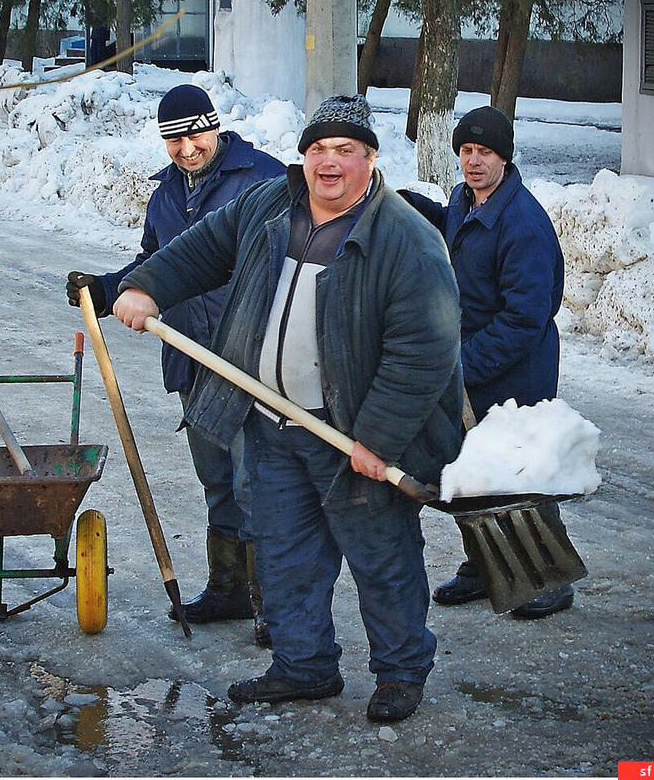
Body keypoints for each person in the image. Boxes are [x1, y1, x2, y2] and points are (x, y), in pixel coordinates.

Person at [110, 94, 464, 723]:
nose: (329, 163)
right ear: (303, 156)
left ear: (371, 158)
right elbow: (203, 247)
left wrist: (377, 437)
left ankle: (400, 672)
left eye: (345, 151)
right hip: (271, 419)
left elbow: (425, 350)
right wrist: (145, 286)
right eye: (318, 149)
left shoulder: (406, 238)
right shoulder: (271, 202)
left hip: (347, 431)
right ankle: (304, 665)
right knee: (283, 553)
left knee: (381, 556)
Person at [66, 84, 284, 645]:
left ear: (215, 127)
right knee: (216, 480)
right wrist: (109, 287)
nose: (186, 148)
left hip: (247, 358)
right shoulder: (165, 194)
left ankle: (274, 606)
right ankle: (228, 587)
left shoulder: (261, 178)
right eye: (173, 138)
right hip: (188, 352)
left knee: (252, 482)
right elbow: (155, 263)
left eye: (194, 133)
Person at [398, 105, 574, 619]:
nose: (474, 162)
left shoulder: (523, 224)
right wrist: (404, 204)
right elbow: (452, 226)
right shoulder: (465, 200)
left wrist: (459, 366)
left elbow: (524, 320)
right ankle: (482, 565)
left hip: (515, 367)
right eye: (467, 151)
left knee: (519, 472)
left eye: (486, 153)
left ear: (505, 157)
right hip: (472, 360)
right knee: (471, 470)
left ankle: (550, 579)